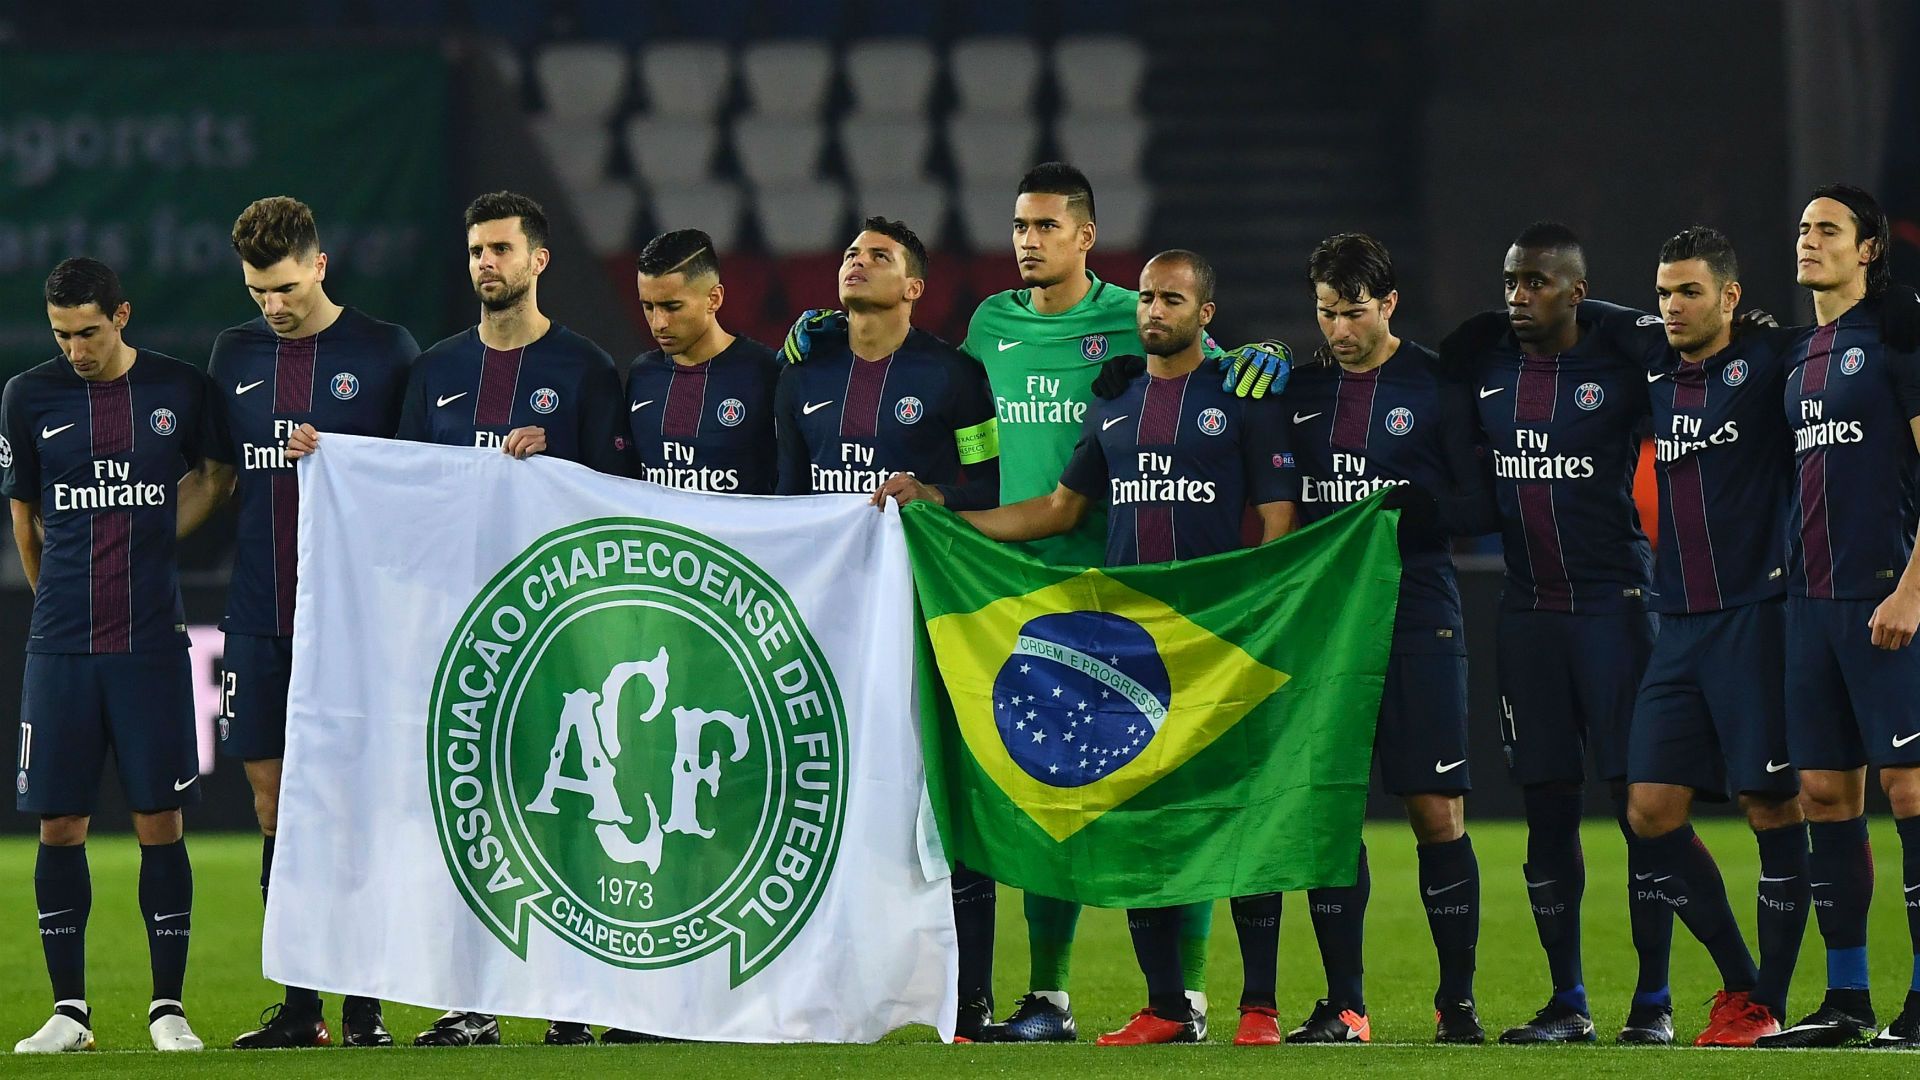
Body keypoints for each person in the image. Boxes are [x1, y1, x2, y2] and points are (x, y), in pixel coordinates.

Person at [879, 250, 1293, 1046]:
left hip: (1217, 638)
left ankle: (1257, 1006)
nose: (1152, 311)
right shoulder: (1115, 406)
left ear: (1206, 313)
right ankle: (1169, 1007)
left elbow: (1277, 520)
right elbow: (1059, 510)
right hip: (1134, 643)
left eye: (1170, 299)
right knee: (1140, 816)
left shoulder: (1241, 398)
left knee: (1229, 817)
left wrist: (1259, 607)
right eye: (1144, 297)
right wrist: (938, 517)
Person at [294, 191, 628, 1047]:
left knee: (569, 817)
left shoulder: (586, 369)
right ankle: (471, 1003)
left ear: (538, 261)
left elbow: (619, 504)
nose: (487, 263)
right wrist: (332, 462)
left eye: (502, 249)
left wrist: (559, 462)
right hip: (463, 640)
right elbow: (406, 493)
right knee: (469, 821)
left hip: (561, 632)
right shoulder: (437, 371)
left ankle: (575, 1002)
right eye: (477, 250)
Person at [1440, 223, 1672, 1044]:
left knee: (1639, 808)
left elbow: (1688, 356)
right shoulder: (1485, 367)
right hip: (1528, 615)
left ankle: (1654, 1004)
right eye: (1509, 281)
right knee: (1545, 812)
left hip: (1615, 609)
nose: (1517, 297)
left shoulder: (1620, 365)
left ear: (1576, 292)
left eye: (1537, 282)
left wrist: (1624, 316)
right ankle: (1567, 1002)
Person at [1577, 226, 1809, 1047]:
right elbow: (1579, 303)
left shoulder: (1776, 359)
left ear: (1732, 297)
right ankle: (1742, 987)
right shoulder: (1650, 358)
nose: (1672, 307)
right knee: (1649, 810)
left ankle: (1769, 1003)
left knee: (1769, 806)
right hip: (1674, 624)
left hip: (1757, 616)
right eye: (1664, 292)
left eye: (1690, 292)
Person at [1266, 233, 1496, 1044]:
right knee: (1330, 818)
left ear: (1389, 303)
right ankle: (1346, 1005)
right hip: (1327, 628)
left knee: (1437, 811)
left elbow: (1485, 505)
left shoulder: (1436, 386)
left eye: (1353, 312)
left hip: (1418, 612)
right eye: (1325, 312)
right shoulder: (1294, 390)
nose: (1338, 329)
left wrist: (1423, 511)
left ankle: (1457, 1005)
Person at [6, 258, 232, 1053]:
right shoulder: (27, 396)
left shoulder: (175, 390)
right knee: (59, 825)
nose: (76, 349)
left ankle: (167, 1009)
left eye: (89, 332)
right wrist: (57, 602)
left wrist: (155, 537)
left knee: (159, 820)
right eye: (63, 334)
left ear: (123, 316)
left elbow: (215, 476)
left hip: (150, 645)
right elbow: (27, 521)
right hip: (61, 647)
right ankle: (70, 1013)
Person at [211, 197, 418, 1051]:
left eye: (287, 286)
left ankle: (364, 1007)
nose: (274, 305)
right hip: (258, 614)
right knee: (274, 805)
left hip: (356, 622)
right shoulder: (234, 355)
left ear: (321, 266)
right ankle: (303, 1010)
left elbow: (418, 479)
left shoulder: (385, 352)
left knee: (358, 807)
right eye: (259, 291)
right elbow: (219, 475)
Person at [1757, 185, 1920, 1049]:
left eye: (1828, 230)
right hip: (1809, 604)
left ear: (1869, 251)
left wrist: (1913, 590)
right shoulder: (1801, 354)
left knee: (1912, 790)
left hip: (1886, 595)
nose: (1808, 240)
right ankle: (1848, 1000)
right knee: (1823, 794)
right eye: (1803, 228)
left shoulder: (1898, 340)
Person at [626, 228, 779, 495]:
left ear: (714, 299)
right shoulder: (642, 374)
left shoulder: (767, 373)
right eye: (648, 307)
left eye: (672, 307)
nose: (658, 323)